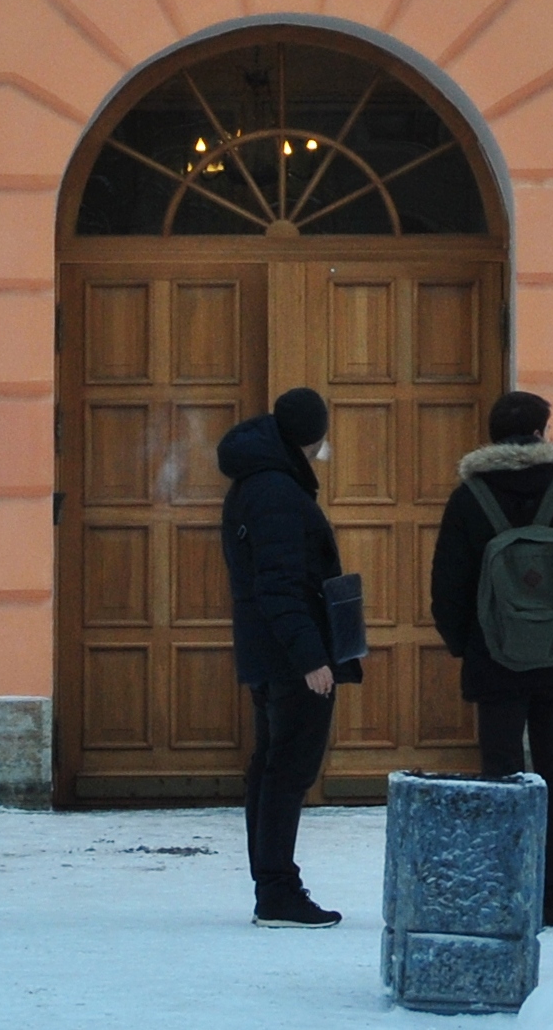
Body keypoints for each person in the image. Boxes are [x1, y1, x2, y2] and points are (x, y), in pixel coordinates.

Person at [429, 388, 553, 931]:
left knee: (500, 783)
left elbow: (446, 587)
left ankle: (503, 898)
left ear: (493, 436)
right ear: (541, 433)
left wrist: (466, 645)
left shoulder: (469, 498)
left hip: (493, 662)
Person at [219, 386, 357, 929]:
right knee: (287, 771)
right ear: (311, 437)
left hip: (272, 650)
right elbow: (279, 584)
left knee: (272, 767)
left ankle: (272, 886)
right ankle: (277, 891)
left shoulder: (262, 481)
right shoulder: (276, 490)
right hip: (289, 655)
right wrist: (311, 658)